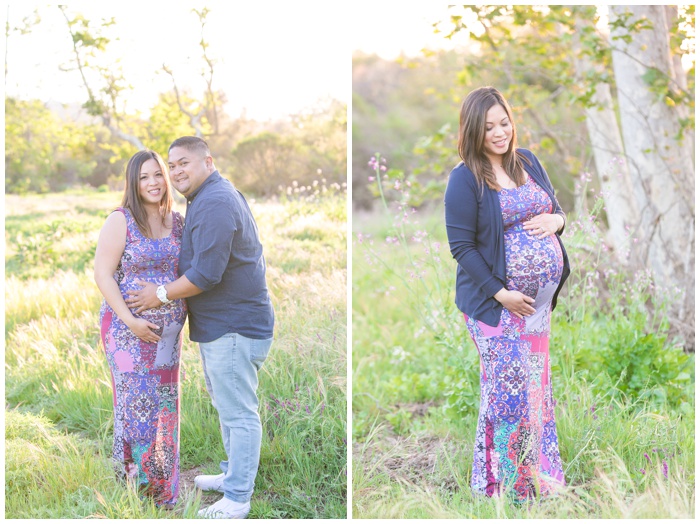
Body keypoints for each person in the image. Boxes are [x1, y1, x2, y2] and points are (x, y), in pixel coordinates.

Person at [126, 136, 275, 519]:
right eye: (170, 166)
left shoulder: (216, 203)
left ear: (207, 161)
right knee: (229, 409)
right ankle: (232, 475)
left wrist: (158, 294)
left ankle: (238, 498)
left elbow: (206, 274)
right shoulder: (208, 197)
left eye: (182, 164)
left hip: (235, 328)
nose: (175, 172)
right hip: (223, 327)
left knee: (239, 413)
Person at [444, 86, 570, 503]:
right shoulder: (464, 179)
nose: (499, 133)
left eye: (504, 122)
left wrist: (557, 221)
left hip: (536, 309)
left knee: (535, 390)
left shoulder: (527, 161)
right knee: (506, 393)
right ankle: (506, 489)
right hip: (494, 308)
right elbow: (462, 248)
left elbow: (556, 209)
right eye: (489, 127)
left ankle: (540, 479)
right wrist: (502, 294)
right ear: (473, 131)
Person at [94, 150, 186, 508]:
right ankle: (134, 486)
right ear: (133, 182)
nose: (153, 183)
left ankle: (163, 489)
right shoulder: (121, 220)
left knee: (165, 406)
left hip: (167, 335)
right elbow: (102, 274)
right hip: (126, 331)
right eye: (144, 177)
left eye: (158, 175)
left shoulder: (176, 221)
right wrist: (131, 320)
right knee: (136, 405)